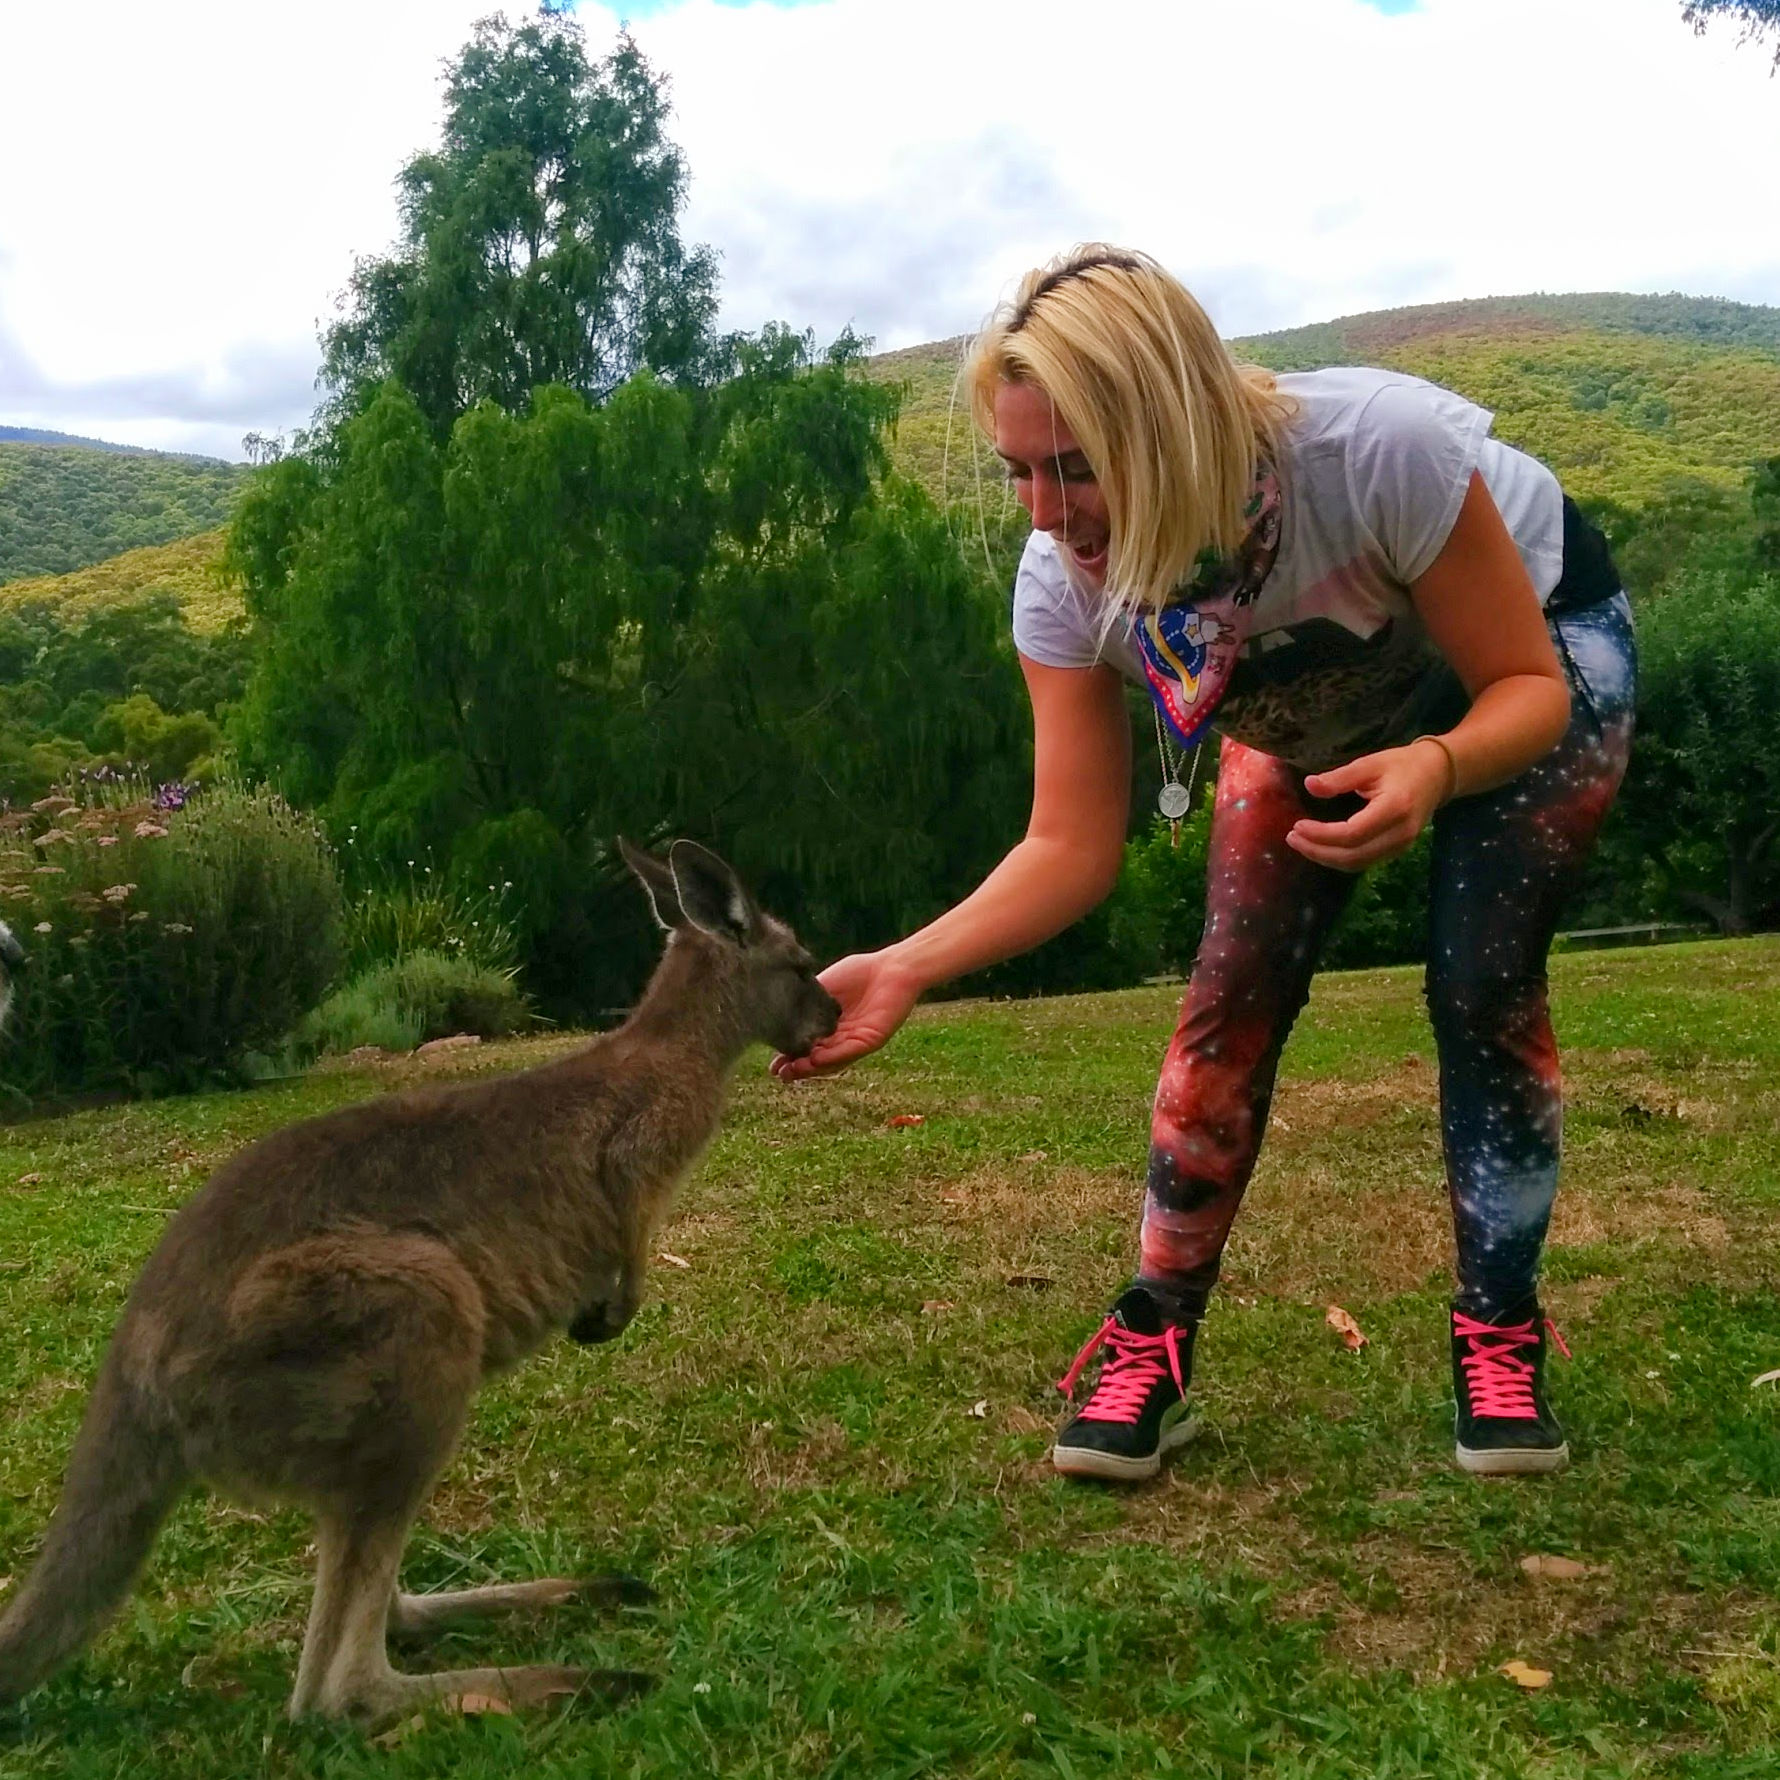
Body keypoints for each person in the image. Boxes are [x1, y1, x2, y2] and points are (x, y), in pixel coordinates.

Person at [773, 245, 1635, 1484]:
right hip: (1323, 699)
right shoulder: (1061, 588)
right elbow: (1067, 844)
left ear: (1173, 426)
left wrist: (1437, 766)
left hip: (1526, 653)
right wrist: (908, 968)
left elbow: (1522, 689)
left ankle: (1497, 1325)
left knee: (1480, 979)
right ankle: (1154, 1335)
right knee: (1230, 986)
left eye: (1075, 468)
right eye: (1018, 470)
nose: (1042, 512)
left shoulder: (1377, 451)